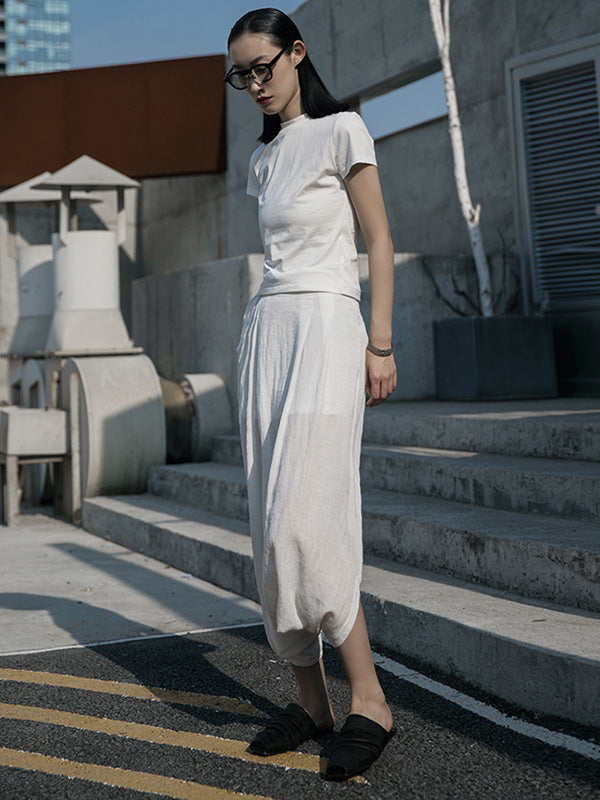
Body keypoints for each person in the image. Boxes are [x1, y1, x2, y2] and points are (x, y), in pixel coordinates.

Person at [226, 7, 397, 781]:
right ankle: (313, 704)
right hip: (268, 337)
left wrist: (380, 343)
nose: (255, 84)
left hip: (328, 331)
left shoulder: (342, 130)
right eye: (241, 76)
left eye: (263, 67)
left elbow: (378, 240)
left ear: (296, 53)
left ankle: (371, 701)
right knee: (270, 530)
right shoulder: (263, 159)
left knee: (308, 522)